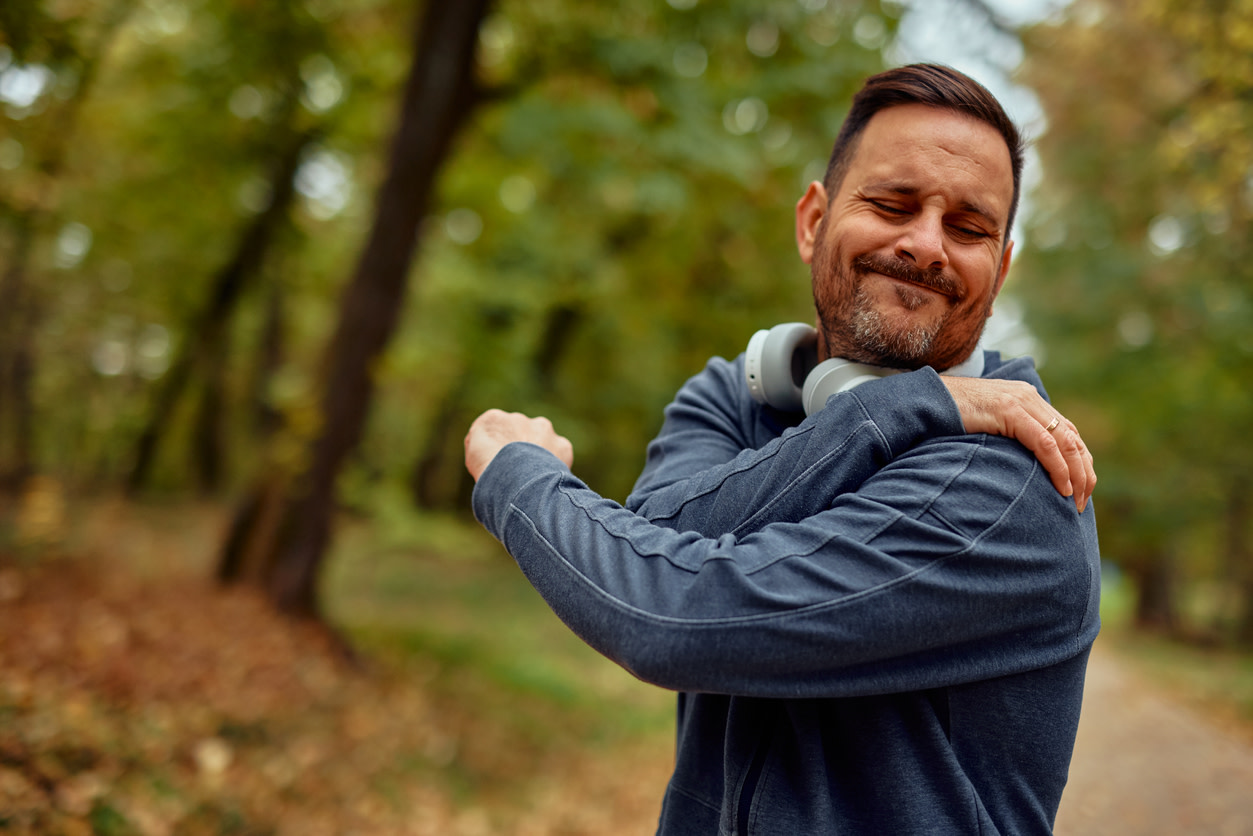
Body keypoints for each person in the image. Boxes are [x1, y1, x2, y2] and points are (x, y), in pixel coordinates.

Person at [464, 64, 1099, 835]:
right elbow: (659, 536)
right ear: (812, 222)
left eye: (968, 229)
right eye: (892, 203)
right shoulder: (738, 396)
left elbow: (667, 616)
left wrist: (515, 474)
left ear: (997, 271)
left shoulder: (1014, 485)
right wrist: (898, 407)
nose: (925, 244)